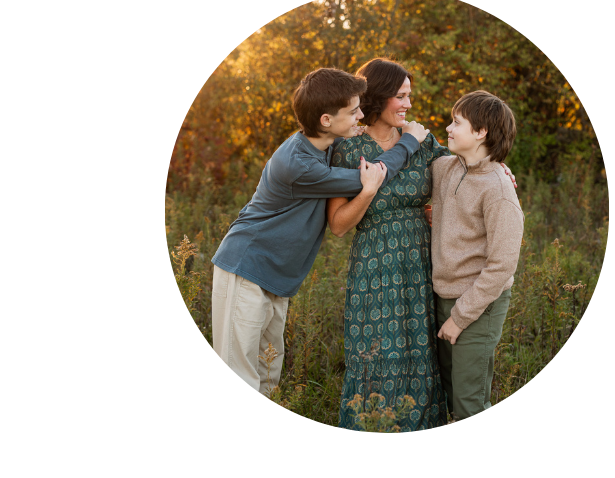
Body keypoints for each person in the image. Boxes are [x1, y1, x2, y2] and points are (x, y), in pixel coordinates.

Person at [210, 67, 428, 398]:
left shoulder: (326, 144)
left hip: (277, 278)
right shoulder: (298, 164)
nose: (361, 114)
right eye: (354, 110)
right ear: (326, 120)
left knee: (268, 374)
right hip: (248, 267)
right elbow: (372, 176)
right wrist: (411, 141)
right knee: (239, 375)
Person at [326, 59, 515, 432]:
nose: (408, 104)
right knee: (375, 357)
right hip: (375, 266)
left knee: (421, 358)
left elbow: (469, 169)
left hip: (422, 266)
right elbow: (337, 225)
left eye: (409, 95)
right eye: (401, 96)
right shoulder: (348, 149)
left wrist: (503, 171)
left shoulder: (424, 143)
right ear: (378, 97)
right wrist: (368, 192)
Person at [430, 90, 524, 426]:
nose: (449, 128)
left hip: (479, 304)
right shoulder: (446, 168)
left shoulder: (498, 190)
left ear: (481, 132)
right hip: (443, 295)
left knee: (469, 402)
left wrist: (460, 317)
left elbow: (501, 266)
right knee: (449, 388)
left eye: (457, 122)